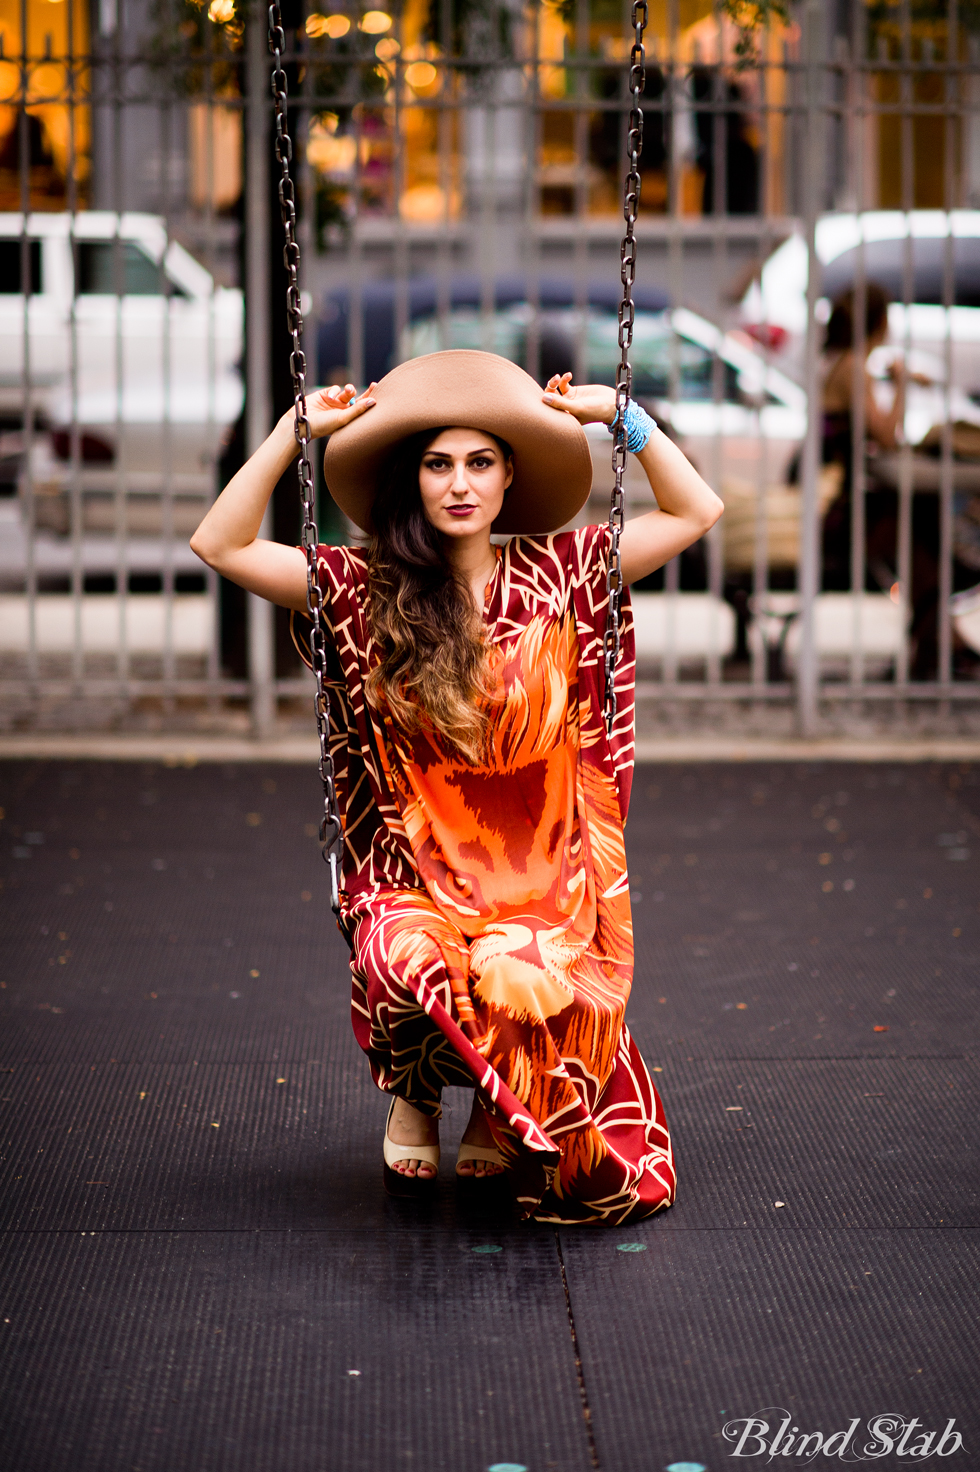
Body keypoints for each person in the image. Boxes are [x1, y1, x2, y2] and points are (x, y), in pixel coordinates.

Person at [190, 349, 723, 1225]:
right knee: (406, 962)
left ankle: (488, 1102)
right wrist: (298, 431)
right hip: (414, 870)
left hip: (545, 883)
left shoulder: (567, 572)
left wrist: (616, 415)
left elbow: (698, 509)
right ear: (415, 479)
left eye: (480, 462)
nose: (460, 484)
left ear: (510, 476)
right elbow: (220, 544)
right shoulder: (366, 587)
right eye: (439, 464)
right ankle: (415, 1096)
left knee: (517, 978)